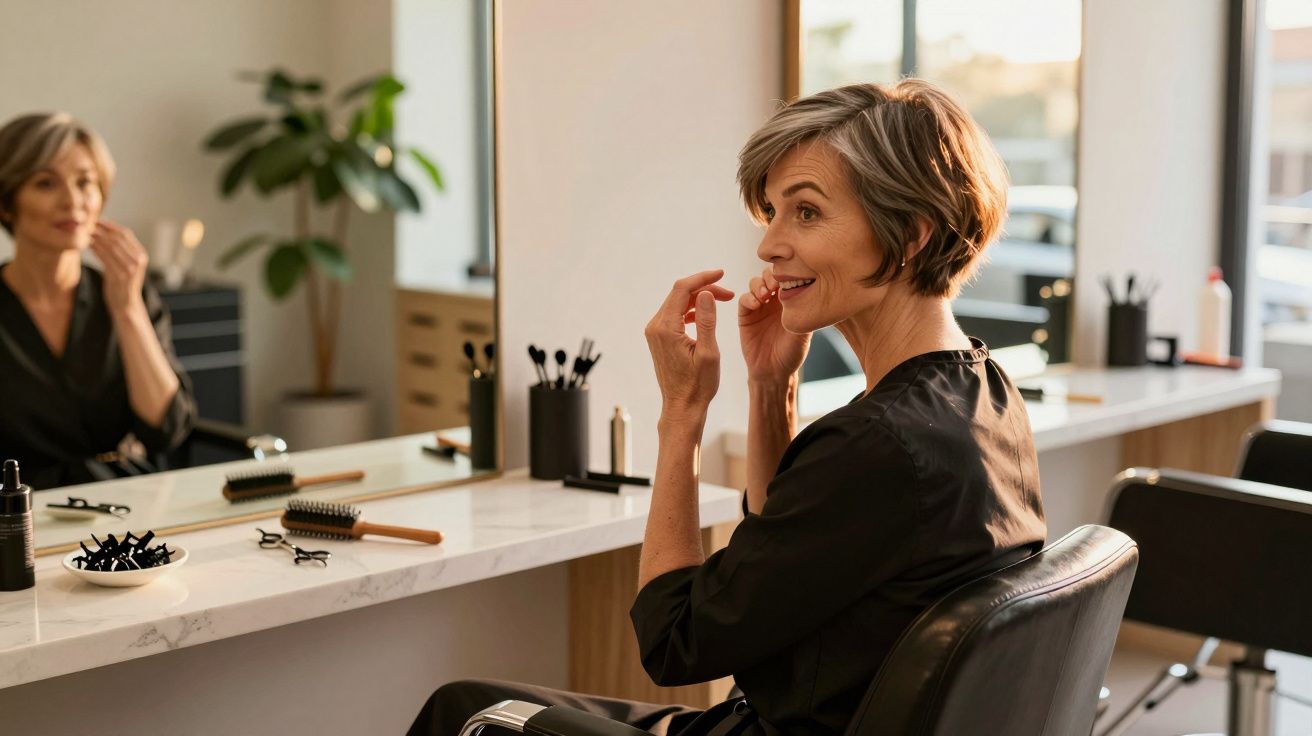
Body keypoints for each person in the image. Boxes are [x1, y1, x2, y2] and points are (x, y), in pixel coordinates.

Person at [409, 79, 1046, 736]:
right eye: (772, 213)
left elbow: (673, 639)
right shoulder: (983, 393)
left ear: (909, 235)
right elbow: (782, 563)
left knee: (464, 712)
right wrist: (772, 388)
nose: (769, 245)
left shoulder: (879, 444)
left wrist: (681, 416)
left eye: (805, 212)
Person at [0, 112, 196, 489]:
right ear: (8, 204)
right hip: (18, 512)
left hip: (122, 502)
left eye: (85, 183)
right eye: (45, 183)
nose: (72, 200)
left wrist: (127, 310)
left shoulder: (129, 294)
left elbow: (166, 431)